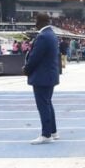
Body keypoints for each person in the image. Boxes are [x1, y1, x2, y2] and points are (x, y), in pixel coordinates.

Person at [24, 12, 61, 144]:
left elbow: (35, 57)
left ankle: (46, 134)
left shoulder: (43, 37)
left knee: (43, 105)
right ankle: (53, 131)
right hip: (49, 75)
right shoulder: (51, 34)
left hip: (42, 76)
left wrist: (27, 69)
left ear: (38, 22)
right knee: (48, 103)